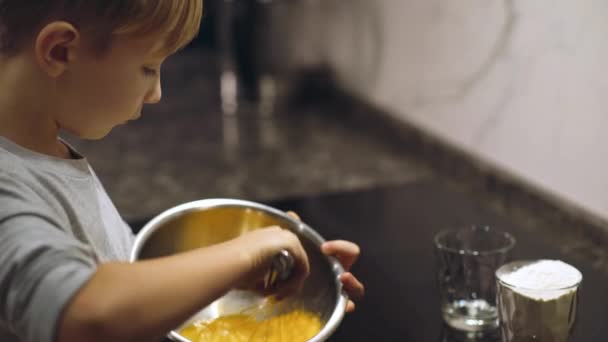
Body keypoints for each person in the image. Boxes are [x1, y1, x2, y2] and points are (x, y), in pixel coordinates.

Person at [0, 1, 365, 342]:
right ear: (59, 51)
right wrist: (245, 255)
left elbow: (117, 275)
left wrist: (242, 269)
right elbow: (85, 313)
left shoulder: (44, 154)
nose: (156, 93)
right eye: (148, 67)